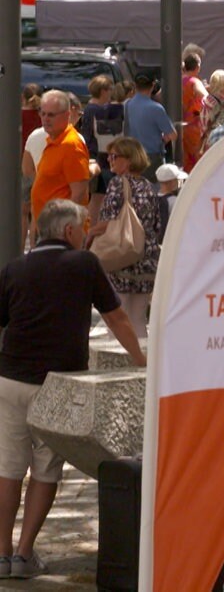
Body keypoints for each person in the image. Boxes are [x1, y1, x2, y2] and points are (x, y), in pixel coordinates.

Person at [0, 200, 145, 578]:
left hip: (10, 379)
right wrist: (140, 359)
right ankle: (24, 553)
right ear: (68, 232)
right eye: (84, 226)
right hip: (58, 384)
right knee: (46, 469)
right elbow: (115, 317)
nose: (86, 232)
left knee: (8, 468)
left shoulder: (15, 267)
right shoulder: (84, 265)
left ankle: (0, 553)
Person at [88, 137, 166, 335]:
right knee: (139, 317)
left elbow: (108, 223)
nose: (109, 161)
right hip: (145, 258)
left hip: (121, 257)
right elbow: (156, 225)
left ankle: (121, 359)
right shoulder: (149, 187)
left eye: (114, 156)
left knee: (119, 316)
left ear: (129, 160)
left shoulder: (117, 184)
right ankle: (141, 361)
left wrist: (90, 235)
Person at [31, 91, 91, 228]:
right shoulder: (53, 140)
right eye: (43, 113)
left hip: (62, 232)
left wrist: (63, 228)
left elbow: (79, 193)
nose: (45, 119)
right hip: (48, 227)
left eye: (51, 115)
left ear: (67, 115)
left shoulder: (71, 145)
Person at [79, 76, 125, 211]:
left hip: (97, 158)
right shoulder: (95, 110)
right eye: (110, 89)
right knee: (98, 198)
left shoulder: (90, 109)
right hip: (98, 159)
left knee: (98, 197)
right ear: (103, 91)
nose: (111, 93)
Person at [125, 74, 177, 177]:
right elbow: (173, 135)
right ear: (153, 86)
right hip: (153, 158)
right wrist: (163, 138)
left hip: (133, 155)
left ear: (135, 85)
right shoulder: (156, 108)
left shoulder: (128, 105)